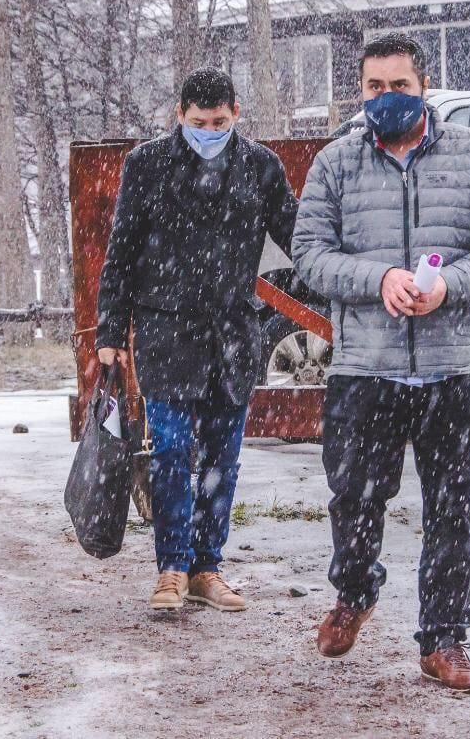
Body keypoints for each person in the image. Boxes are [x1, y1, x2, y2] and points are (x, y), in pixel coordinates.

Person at [291, 33, 470, 692]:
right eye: (374, 86)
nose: (387, 97)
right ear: (359, 91)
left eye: (399, 85)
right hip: (365, 367)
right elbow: (309, 253)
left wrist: (451, 281)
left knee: (454, 509)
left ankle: (444, 638)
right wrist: (379, 278)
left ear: (423, 87)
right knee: (355, 499)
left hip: (451, 366)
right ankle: (356, 590)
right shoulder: (336, 163)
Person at [95, 67, 298, 612]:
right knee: (169, 450)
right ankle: (172, 567)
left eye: (219, 121)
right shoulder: (148, 165)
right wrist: (110, 330)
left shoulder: (260, 167)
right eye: (199, 121)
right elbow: (122, 252)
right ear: (178, 115)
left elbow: (299, 237)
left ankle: (208, 566)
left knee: (221, 458)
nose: (209, 130)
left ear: (237, 113)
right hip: (166, 330)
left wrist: (338, 282)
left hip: (232, 331)